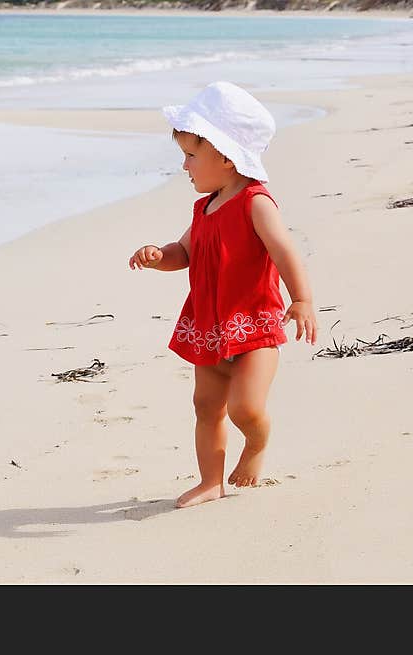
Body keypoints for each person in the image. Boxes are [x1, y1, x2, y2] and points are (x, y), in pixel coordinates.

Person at [128, 81, 318, 509]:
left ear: (227, 158)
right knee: (205, 406)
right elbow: (185, 253)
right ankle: (210, 480)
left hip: (253, 323)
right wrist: (159, 256)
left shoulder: (255, 202)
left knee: (245, 408)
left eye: (191, 156)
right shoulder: (205, 208)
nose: (184, 166)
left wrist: (301, 298)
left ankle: (256, 444)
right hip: (209, 326)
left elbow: (284, 250)